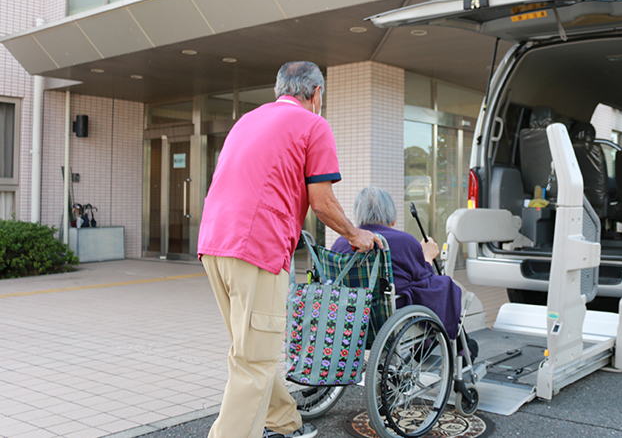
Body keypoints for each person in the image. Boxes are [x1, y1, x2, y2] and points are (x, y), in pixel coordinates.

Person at [197, 61, 381, 438]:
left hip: (214, 244)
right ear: (316, 94)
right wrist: (354, 234)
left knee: (248, 349)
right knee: (255, 361)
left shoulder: (247, 120)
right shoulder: (314, 125)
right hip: (257, 249)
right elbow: (323, 201)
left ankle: (283, 421)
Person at [331, 187, 463, 340]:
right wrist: (427, 256)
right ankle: (456, 343)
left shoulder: (341, 243)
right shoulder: (404, 241)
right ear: (392, 218)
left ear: (357, 215)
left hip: (351, 314)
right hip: (391, 313)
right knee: (445, 284)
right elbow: (424, 279)